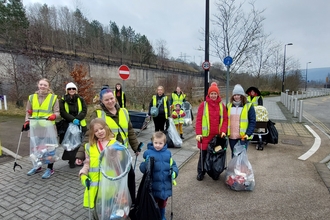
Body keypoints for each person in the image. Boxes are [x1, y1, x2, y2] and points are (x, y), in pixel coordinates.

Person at [77, 88, 140, 206]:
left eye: (112, 98)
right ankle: (110, 205)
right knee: (113, 181)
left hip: (122, 154)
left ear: (115, 99)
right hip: (107, 156)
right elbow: (89, 134)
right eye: (106, 100)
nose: (110, 101)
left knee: (130, 176)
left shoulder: (124, 112)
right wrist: (81, 153)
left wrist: (135, 147)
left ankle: (132, 203)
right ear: (101, 101)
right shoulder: (98, 114)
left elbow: (130, 131)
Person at [78, 118, 120, 219]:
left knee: (109, 209)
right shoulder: (89, 147)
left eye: (101, 128)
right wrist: (83, 174)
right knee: (97, 211)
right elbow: (87, 163)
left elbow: (120, 163)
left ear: (106, 128)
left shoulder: (115, 144)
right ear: (93, 133)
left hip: (110, 186)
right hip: (95, 186)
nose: (99, 132)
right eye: (96, 131)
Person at [23, 78, 60, 179]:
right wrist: (27, 120)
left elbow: (57, 112)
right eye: (41, 84)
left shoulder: (54, 98)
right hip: (35, 127)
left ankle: (50, 168)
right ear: (38, 85)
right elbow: (28, 111)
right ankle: (37, 166)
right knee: (36, 149)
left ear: (48, 87)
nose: (42, 86)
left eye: (45, 85)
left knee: (49, 150)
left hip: (48, 127)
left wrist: (54, 116)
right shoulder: (31, 97)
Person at [139, 131, 178, 220]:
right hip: (153, 184)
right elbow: (142, 169)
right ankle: (153, 215)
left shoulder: (168, 154)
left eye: (160, 143)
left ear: (164, 143)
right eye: (156, 143)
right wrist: (146, 164)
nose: (157, 145)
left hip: (165, 184)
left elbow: (173, 165)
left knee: (163, 202)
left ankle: (162, 215)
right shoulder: (148, 153)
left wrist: (174, 172)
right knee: (153, 202)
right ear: (152, 142)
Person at [195, 82, 228, 181]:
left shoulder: (222, 106)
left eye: (215, 93)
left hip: (217, 136)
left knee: (216, 155)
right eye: (212, 94)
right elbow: (199, 120)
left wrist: (223, 131)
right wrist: (198, 133)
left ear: (218, 94)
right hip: (205, 135)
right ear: (209, 94)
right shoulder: (203, 105)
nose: (213, 95)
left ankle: (215, 171)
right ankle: (201, 172)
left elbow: (225, 119)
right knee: (203, 154)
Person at [58, 82, 87, 168]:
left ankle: (79, 159)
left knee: (80, 143)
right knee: (70, 144)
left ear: (76, 90)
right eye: (69, 89)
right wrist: (72, 119)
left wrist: (78, 118)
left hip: (80, 124)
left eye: (73, 88)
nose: (71, 90)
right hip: (68, 125)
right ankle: (71, 160)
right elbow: (62, 112)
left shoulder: (80, 99)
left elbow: (84, 110)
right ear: (67, 90)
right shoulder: (63, 100)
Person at [227, 84, 256, 158]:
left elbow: (252, 121)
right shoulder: (229, 106)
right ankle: (234, 169)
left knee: (241, 156)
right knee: (234, 155)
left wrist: (248, 133)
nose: (236, 97)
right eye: (235, 95)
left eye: (238, 95)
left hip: (243, 137)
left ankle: (240, 169)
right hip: (232, 136)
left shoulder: (248, 106)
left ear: (242, 95)